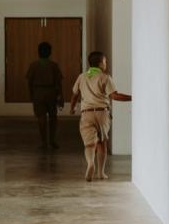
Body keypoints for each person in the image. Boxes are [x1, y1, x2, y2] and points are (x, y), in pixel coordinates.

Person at [68, 51, 132, 181]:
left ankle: (90, 163)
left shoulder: (82, 77)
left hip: (86, 113)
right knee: (102, 143)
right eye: (105, 61)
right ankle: (101, 173)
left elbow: (75, 95)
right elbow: (114, 96)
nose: (106, 63)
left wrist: (72, 108)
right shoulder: (105, 77)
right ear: (100, 63)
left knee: (89, 144)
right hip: (102, 113)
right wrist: (132, 97)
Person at [26, 42, 64, 149]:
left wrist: (32, 95)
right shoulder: (54, 65)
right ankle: (52, 141)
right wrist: (61, 97)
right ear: (50, 52)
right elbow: (58, 83)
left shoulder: (33, 65)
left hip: (38, 92)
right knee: (53, 118)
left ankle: (44, 142)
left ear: (38, 52)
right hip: (51, 92)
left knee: (41, 118)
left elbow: (29, 82)